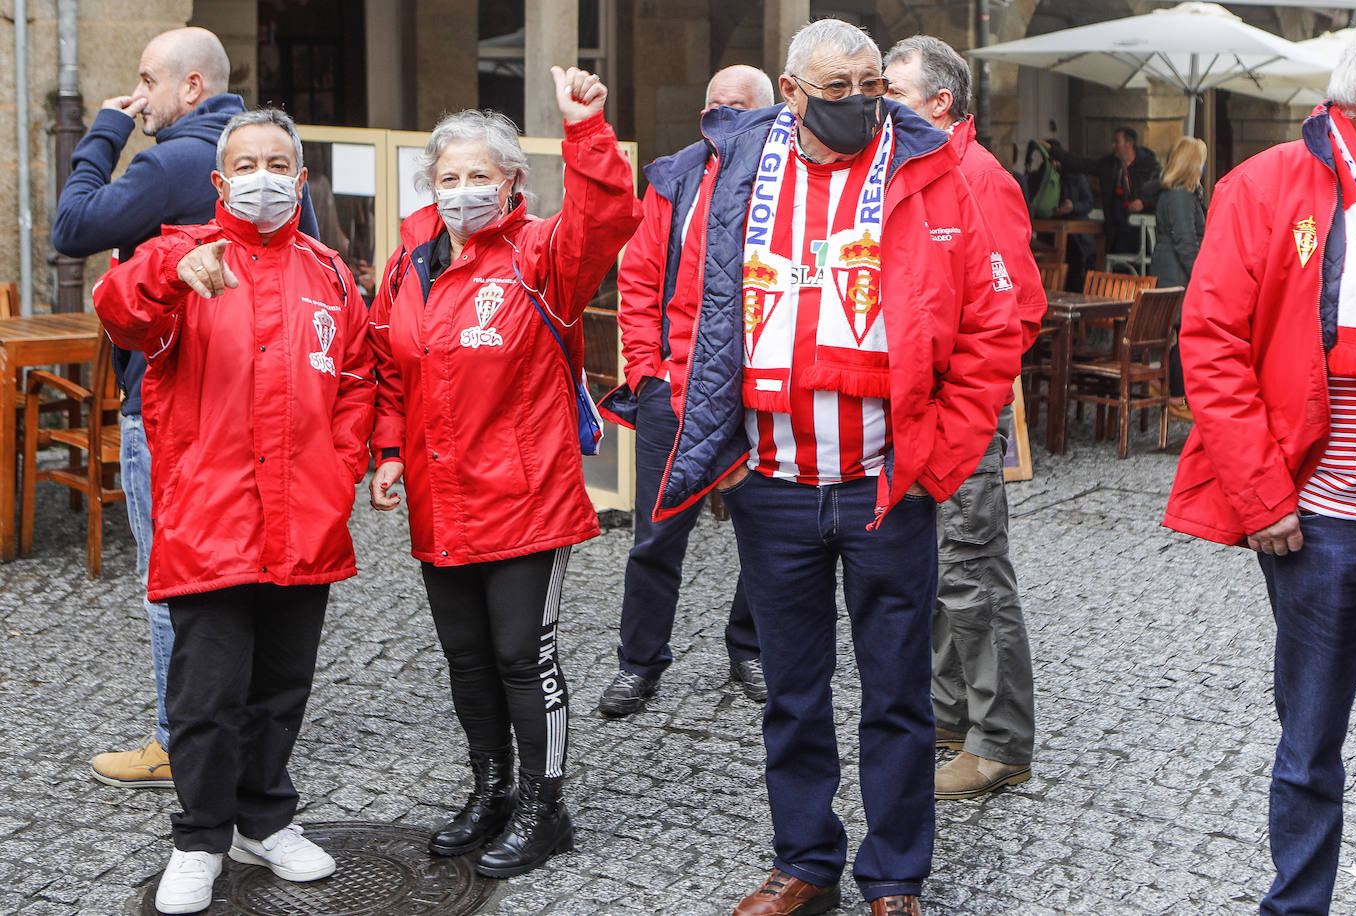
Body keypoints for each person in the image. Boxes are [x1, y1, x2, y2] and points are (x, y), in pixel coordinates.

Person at [647, 19, 1019, 916]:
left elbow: (991, 327)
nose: (859, 102)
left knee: (897, 697)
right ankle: (806, 862)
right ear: (791, 89)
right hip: (772, 483)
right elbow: (689, 313)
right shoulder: (738, 172)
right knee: (794, 694)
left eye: (871, 85)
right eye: (837, 87)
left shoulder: (934, 174)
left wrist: (942, 456)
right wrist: (724, 460)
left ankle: (895, 878)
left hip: (887, 482)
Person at [93, 109, 373, 915]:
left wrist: (343, 461)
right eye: (246, 162)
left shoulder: (326, 273)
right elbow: (120, 310)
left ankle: (264, 820)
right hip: (211, 519)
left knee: (282, 686)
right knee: (206, 695)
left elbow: (356, 376)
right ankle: (199, 837)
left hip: (305, 516)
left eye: (278, 162)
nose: (263, 175)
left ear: (300, 177)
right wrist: (170, 275)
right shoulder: (181, 254)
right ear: (220, 181)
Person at [367, 67, 640, 878]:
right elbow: (387, 365)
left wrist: (585, 129)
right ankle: (489, 788)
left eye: (478, 177)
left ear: (513, 182)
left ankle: (543, 807)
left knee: (525, 655)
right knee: (468, 658)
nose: (461, 192)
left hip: (525, 496)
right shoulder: (409, 257)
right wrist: (386, 452)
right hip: (438, 494)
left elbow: (606, 218)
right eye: (447, 178)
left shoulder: (542, 255)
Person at [50, 27, 317, 790]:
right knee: (250, 570)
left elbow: (71, 229)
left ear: (191, 88)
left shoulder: (172, 161)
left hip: (172, 411)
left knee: (175, 575)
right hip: (263, 413)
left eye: (146, 83)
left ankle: (182, 739)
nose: (139, 99)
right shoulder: (269, 157)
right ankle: (238, 723)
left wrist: (104, 130)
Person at [1162, 28, 1356, 916]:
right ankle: (1299, 907)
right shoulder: (1266, 184)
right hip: (1320, 506)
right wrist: (1260, 495)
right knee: (1311, 737)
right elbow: (1210, 347)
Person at [883, 35, 1042, 802]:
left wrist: (965, 408)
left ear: (938, 104)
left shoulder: (978, 176)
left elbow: (1018, 312)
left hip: (961, 421)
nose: (876, 102)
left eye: (891, 89)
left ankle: (1001, 741)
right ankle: (952, 722)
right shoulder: (911, 170)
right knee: (940, 579)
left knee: (975, 580)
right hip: (912, 420)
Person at [596, 64, 775, 718]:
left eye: (739, 105)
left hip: (758, 394)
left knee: (766, 536)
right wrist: (647, 372)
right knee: (655, 539)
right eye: (715, 105)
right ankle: (639, 663)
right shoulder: (675, 178)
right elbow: (639, 283)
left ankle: (750, 648)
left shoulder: (789, 179)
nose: (724, 114)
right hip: (672, 389)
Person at [1146, 136, 1207, 407]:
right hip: (1178, 273)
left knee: (1179, 333)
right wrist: (1200, 276)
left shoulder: (1172, 194)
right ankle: (1175, 396)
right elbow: (1186, 241)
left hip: (1168, 268)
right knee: (1184, 332)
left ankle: (1167, 387)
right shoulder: (1180, 196)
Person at [1051, 126, 1160, 254]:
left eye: (1116, 141)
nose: (1113, 145)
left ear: (1129, 144)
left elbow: (1161, 194)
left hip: (1142, 231)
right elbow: (1081, 164)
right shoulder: (1109, 165)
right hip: (1117, 231)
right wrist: (1053, 151)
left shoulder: (1150, 166)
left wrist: (1143, 202)